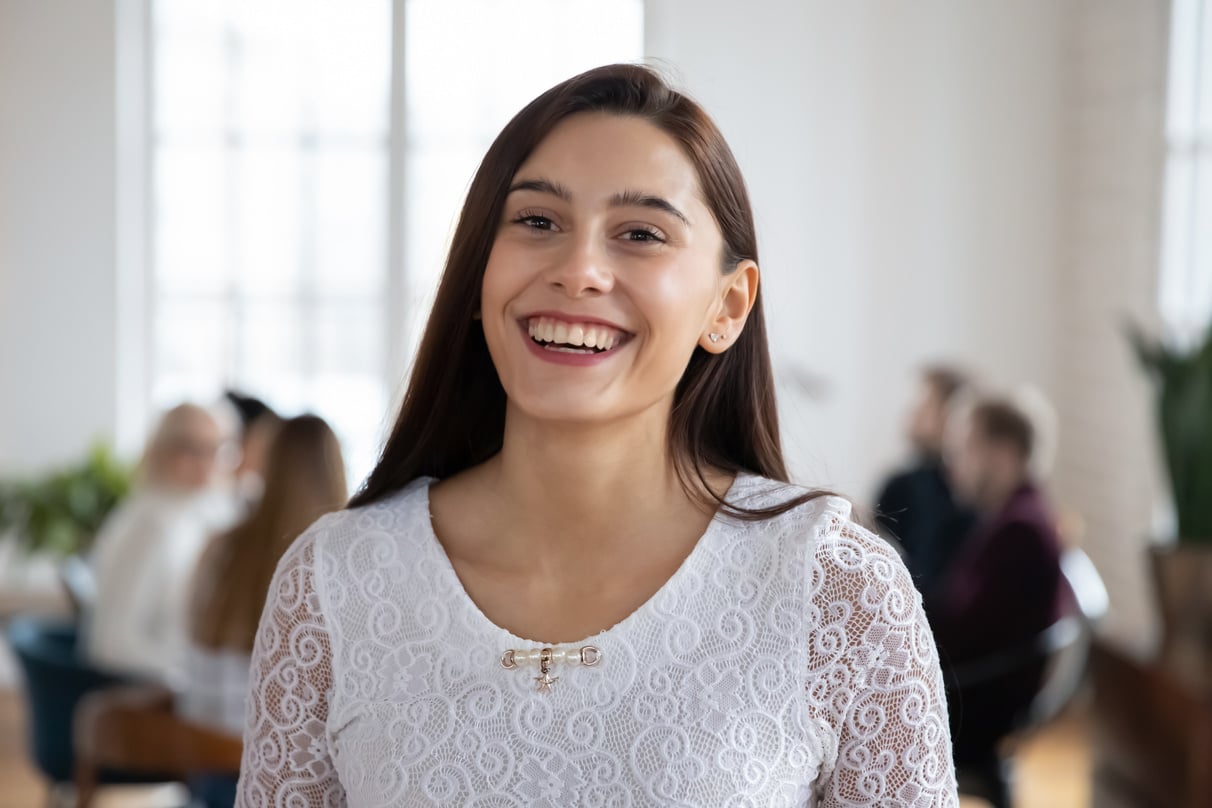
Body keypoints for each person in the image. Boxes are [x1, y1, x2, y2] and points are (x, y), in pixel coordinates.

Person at [235, 64, 958, 808]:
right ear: (479, 276)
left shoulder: (836, 592)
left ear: (727, 306)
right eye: (538, 222)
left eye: (641, 233)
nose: (578, 271)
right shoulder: (332, 584)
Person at [181, 414, 347, 808]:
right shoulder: (339, 562)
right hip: (271, 773)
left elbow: (190, 639)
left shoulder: (218, 546)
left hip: (201, 760)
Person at [929, 394, 1064, 799]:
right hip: (979, 691)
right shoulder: (1019, 516)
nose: (952, 465)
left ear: (1003, 453)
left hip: (973, 709)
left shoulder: (1019, 532)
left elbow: (961, 639)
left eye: (964, 449)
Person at [86, 403, 238, 684]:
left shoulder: (199, 512)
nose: (205, 462)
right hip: (147, 693)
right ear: (162, 451)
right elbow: (112, 643)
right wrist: (188, 680)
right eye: (190, 449)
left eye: (214, 449)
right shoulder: (150, 525)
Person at [874, 366, 976, 595]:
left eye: (924, 404)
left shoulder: (962, 495)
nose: (912, 412)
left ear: (951, 417)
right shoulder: (902, 484)